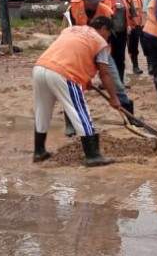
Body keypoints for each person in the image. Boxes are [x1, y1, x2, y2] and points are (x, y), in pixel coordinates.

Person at [32, 16, 121, 167]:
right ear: (104, 29)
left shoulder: (71, 29)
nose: (108, 36)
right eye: (109, 33)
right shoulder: (100, 42)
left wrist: (86, 78)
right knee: (79, 111)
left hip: (40, 68)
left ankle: (39, 151)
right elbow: (105, 73)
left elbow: (72, 52)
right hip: (63, 73)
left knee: (42, 111)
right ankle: (93, 156)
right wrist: (114, 98)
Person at [100, 0, 136, 82]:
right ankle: (106, 81)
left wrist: (136, 26)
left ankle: (119, 82)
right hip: (107, 32)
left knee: (120, 58)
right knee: (106, 58)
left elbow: (132, 11)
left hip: (122, 32)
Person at [125, 0, 145, 75]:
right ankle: (135, 66)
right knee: (133, 47)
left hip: (143, 25)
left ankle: (151, 66)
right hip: (132, 26)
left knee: (147, 45)